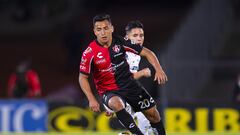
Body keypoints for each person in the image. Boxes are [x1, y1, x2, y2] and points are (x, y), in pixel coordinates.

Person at [79, 14, 167, 135]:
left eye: (106, 28)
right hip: (109, 91)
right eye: (99, 29)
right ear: (94, 31)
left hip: (130, 86)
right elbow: (82, 77)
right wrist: (91, 99)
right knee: (117, 104)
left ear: (112, 28)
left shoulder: (121, 42)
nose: (103, 32)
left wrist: (159, 69)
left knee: (154, 115)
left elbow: (147, 52)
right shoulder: (89, 53)